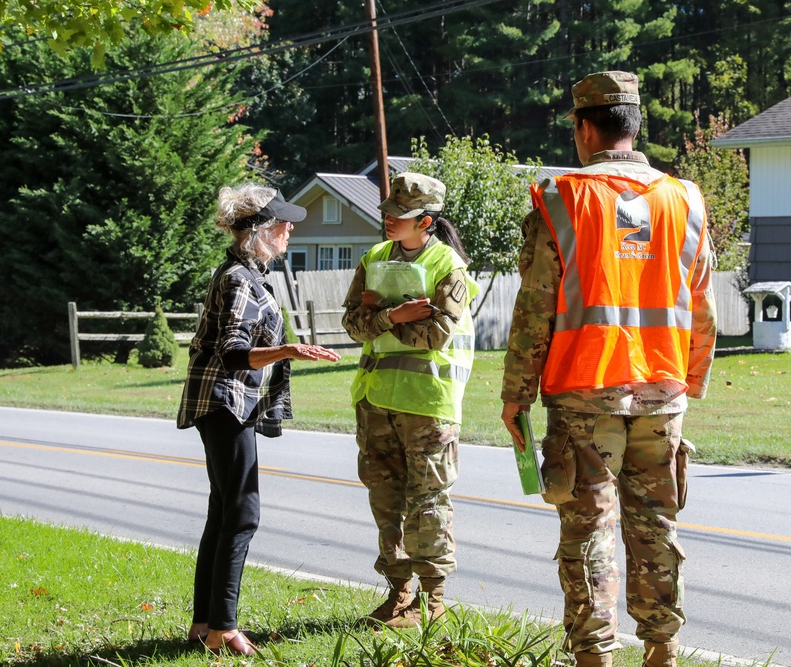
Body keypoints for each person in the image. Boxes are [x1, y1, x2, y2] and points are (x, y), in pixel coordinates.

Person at [500, 71, 716, 667]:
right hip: (662, 391)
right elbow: (702, 307)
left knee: (589, 534)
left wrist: (515, 394)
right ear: (634, 125)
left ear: (584, 128)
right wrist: (687, 382)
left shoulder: (558, 198)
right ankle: (662, 652)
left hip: (583, 394)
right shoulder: (686, 199)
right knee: (655, 530)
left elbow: (535, 307)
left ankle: (594, 657)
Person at [177, 183, 340, 656]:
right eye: (283, 222)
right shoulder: (238, 279)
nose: (291, 227)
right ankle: (222, 629)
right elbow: (231, 353)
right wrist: (289, 350)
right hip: (225, 404)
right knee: (242, 514)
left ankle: (205, 622)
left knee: (223, 511)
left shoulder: (247, 273)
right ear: (259, 231)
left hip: (228, 405)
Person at [341, 172, 478, 628]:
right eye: (387, 212)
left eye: (399, 216)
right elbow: (351, 325)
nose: (388, 221)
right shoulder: (374, 257)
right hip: (376, 400)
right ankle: (399, 596)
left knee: (428, 505)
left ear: (427, 222)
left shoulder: (448, 268)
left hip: (428, 405)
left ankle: (433, 600)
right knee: (386, 501)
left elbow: (434, 336)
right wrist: (395, 315)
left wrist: (376, 316)